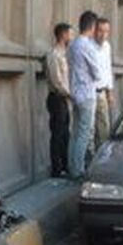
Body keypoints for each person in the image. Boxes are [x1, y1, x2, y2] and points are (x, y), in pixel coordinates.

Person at [66, 10, 102, 179]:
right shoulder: (87, 46)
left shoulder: (72, 45)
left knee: (75, 132)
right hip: (87, 93)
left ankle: (71, 166)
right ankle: (78, 169)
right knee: (84, 133)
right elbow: (97, 72)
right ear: (93, 27)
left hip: (75, 92)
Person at [44, 22, 73, 177]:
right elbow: (57, 82)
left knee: (65, 134)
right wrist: (70, 94)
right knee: (57, 134)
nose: (71, 36)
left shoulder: (64, 54)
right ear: (63, 35)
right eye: (70, 33)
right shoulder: (53, 54)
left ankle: (65, 166)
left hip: (64, 99)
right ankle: (56, 169)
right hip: (57, 98)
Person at [93, 18, 116, 147]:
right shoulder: (89, 46)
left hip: (102, 92)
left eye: (106, 31)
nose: (103, 35)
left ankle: (103, 154)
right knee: (90, 130)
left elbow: (108, 68)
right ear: (94, 30)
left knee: (104, 127)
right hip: (89, 93)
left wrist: (110, 92)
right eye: (100, 31)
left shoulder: (107, 46)